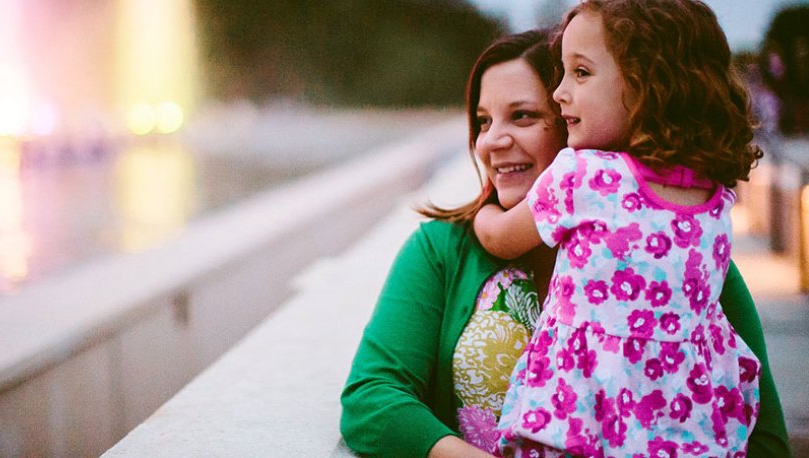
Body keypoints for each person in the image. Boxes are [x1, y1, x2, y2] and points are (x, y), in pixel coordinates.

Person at [339, 28, 791, 457]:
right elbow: (372, 397)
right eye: (482, 121)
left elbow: (764, 437)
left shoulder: (672, 254)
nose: (491, 141)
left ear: (575, 121)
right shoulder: (442, 247)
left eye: (523, 116)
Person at [472, 0, 784, 456]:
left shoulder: (583, 176)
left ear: (648, 86)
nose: (560, 93)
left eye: (580, 73)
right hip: (682, 431)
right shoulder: (716, 203)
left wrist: (479, 212)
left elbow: (501, 239)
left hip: (580, 421)